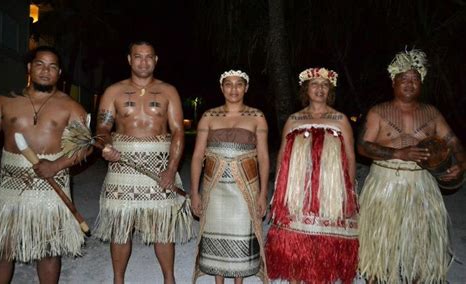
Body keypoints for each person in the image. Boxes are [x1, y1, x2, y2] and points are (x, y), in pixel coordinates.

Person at [357, 49, 465, 283]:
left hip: (420, 184)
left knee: (420, 246)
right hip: (385, 185)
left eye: (414, 79)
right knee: (381, 246)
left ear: (421, 83)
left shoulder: (431, 113)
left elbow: (453, 141)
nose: (409, 83)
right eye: (403, 79)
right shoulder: (379, 112)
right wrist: (398, 153)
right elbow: (363, 146)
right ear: (393, 82)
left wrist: (462, 164)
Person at [94, 40, 192, 284]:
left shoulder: (168, 91)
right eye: (138, 56)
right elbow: (102, 127)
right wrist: (105, 145)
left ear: (156, 60)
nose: (144, 62)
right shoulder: (113, 92)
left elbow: (178, 132)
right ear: (129, 59)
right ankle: (118, 280)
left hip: (158, 167)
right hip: (122, 165)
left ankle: (169, 279)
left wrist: (171, 169)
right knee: (121, 226)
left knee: (161, 226)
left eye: (149, 57)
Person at [0, 46, 90, 283]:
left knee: (48, 250)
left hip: (51, 184)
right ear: (29, 67)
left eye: (52, 66)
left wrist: (56, 166)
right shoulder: (4, 102)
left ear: (59, 73)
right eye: (40, 64)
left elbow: (85, 146)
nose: (46, 71)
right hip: (10, 186)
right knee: (2, 250)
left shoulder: (71, 107)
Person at [264, 68, 358, 283]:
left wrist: (349, 191)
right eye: (315, 84)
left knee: (324, 244)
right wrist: (279, 190)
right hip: (298, 189)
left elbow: (351, 157)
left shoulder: (340, 119)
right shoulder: (294, 119)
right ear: (306, 90)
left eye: (325, 85)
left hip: (330, 191)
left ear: (330, 91)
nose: (320, 89)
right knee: (297, 240)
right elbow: (281, 155)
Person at [190, 70, 269, 283]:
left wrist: (263, 194)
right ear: (221, 87)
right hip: (214, 186)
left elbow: (262, 156)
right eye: (228, 84)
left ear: (246, 88)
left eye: (239, 84)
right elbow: (197, 156)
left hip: (245, 185)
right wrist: (195, 193)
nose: (233, 89)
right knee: (216, 228)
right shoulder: (209, 116)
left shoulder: (257, 116)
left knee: (242, 231)